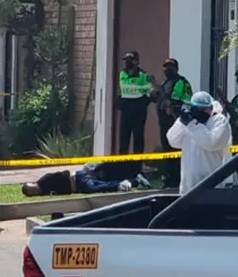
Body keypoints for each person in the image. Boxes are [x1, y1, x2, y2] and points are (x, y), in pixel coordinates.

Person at [166, 91, 233, 194]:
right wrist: (182, 122)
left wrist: (193, 125)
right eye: (198, 109)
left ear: (211, 107)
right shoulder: (189, 122)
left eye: (204, 109)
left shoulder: (219, 121)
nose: (201, 112)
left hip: (211, 185)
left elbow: (212, 143)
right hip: (188, 185)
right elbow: (173, 140)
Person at [156, 58, 193, 188]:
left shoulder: (182, 82)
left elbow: (187, 101)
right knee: (167, 151)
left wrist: (175, 108)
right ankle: (169, 179)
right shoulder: (165, 83)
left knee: (175, 151)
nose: (167, 69)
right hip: (164, 122)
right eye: (165, 67)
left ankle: (177, 179)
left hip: (176, 121)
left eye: (170, 67)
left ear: (176, 69)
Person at [20, 162, 152, 197]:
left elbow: (64, 173)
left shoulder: (45, 181)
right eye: (32, 192)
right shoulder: (44, 192)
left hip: (78, 178)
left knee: (93, 188)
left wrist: (70, 183)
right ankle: (135, 181)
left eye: (32, 188)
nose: (35, 190)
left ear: (33, 183)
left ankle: (120, 186)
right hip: (78, 186)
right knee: (103, 184)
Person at [117, 51, 154, 155]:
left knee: (138, 139)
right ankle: (122, 163)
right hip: (126, 110)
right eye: (126, 60)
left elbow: (149, 91)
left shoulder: (143, 75)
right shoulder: (123, 74)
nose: (127, 62)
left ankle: (137, 163)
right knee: (123, 139)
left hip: (138, 111)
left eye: (130, 60)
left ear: (136, 61)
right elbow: (126, 88)